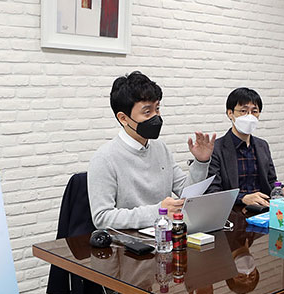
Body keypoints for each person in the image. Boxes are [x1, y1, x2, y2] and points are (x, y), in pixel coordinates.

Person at [88, 71, 215, 230]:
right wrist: (158, 212)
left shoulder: (160, 148)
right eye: (147, 112)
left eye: (157, 109)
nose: (156, 117)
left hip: (165, 234)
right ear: (123, 118)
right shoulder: (104, 158)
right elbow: (102, 217)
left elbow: (187, 193)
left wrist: (201, 162)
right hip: (130, 241)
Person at [207, 87, 278, 207]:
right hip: (233, 211)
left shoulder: (262, 145)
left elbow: (271, 182)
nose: (249, 116)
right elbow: (213, 192)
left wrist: (283, 189)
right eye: (243, 111)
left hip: (263, 208)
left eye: (254, 111)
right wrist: (243, 198)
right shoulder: (216, 149)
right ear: (230, 113)